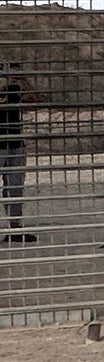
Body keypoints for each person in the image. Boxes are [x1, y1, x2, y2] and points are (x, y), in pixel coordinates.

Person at [0, 64, 32, 244]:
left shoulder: (13, 88)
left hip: (15, 143)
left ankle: (16, 228)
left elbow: (33, 98)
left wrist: (20, 81)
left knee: (15, 187)